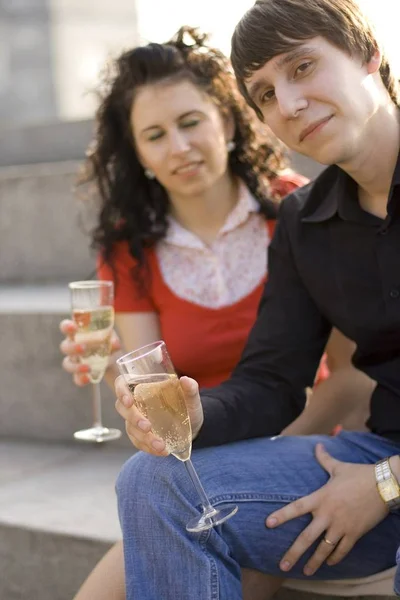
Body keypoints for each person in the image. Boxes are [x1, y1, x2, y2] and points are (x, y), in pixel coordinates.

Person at [59, 25, 365, 600]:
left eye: (190, 121)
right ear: (139, 153)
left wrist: (265, 458)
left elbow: (351, 376)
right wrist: (116, 388)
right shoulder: (130, 249)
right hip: (195, 465)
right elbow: (149, 386)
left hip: (305, 443)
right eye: (154, 134)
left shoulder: (298, 209)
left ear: (226, 120)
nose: (178, 147)